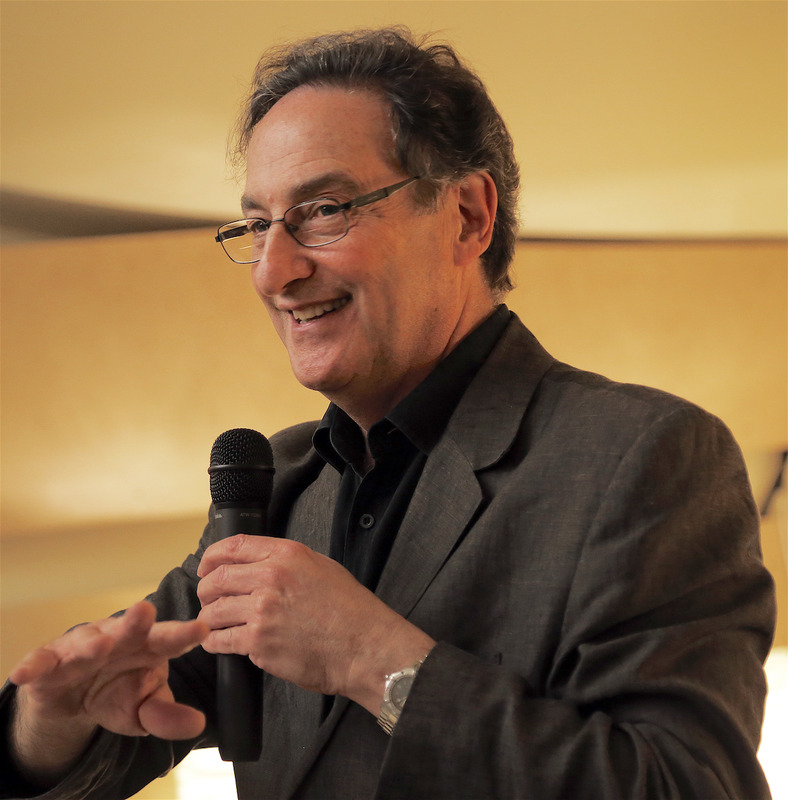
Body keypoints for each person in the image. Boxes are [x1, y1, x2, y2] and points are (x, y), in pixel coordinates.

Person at [0, 27, 776, 800]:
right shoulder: (273, 487)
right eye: (259, 225)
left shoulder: (642, 455)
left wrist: (376, 660)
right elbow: (95, 742)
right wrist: (49, 721)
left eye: (325, 209)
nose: (275, 270)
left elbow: (688, 787)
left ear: (468, 216)